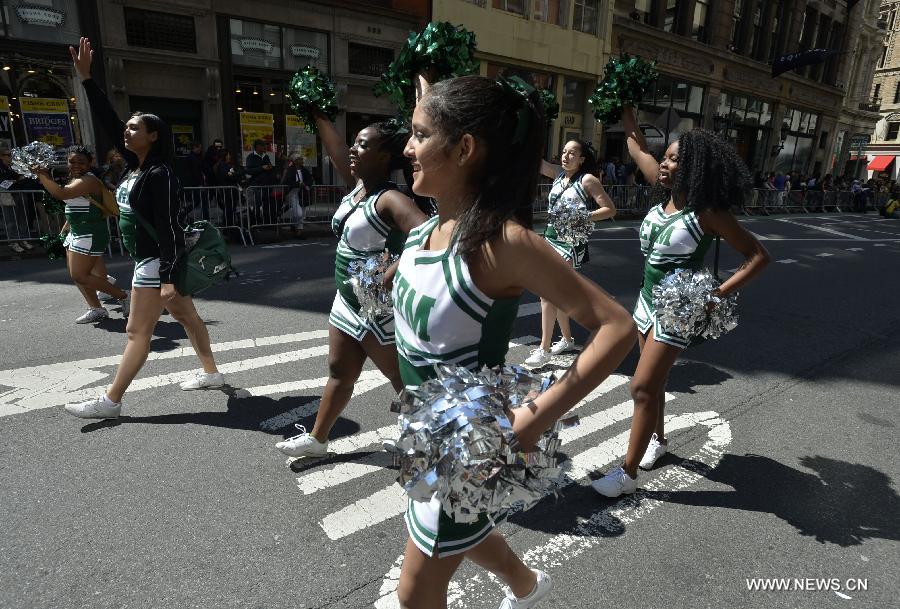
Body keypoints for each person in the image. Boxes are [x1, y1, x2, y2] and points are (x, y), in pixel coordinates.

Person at [394, 74, 635, 609]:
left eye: (419, 133)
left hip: (468, 451)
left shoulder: (502, 241)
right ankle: (527, 586)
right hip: (424, 436)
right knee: (461, 531)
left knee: (414, 595)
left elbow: (617, 327)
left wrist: (530, 420)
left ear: (464, 149)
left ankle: (524, 585)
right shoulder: (423, 230)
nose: (406, 146)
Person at [591, 105, 770, 498]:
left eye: (674, 159)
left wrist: (715, 294)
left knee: (641, 387)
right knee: (653, 385)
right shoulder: (664, 189)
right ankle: (658, 441)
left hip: (678, 310)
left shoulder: (707, 212)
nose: (665, 164)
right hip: (645, 302)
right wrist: (627, 111)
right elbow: (638, 148)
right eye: (666, 158)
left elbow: (758, 256)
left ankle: (627, 474)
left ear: (695, 169)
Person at [63, 37, 225, 420]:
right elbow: (108, 120)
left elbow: (169, 226)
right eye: (128, 128)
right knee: (188, 318)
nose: (127, 132)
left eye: (135, 128)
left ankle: (110, 402)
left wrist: (167, 275)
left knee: (137, 333)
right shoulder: (137, 167)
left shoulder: (160, 173)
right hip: (151, 261)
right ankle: (212, 374)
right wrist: (86, 79)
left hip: (154, 263)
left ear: (154, 135)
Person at [274, 109, 430, 458]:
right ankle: (317, 440)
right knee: (340, 373)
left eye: (362, 145)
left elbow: (427, 233)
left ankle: (426, 439)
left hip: (377, 307)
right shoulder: (360, 189)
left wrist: (394, 268)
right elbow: (336, 148)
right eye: (355, 144)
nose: (353, 151)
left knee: (402, 379)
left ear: (384, 157)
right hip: (347, 301)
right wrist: (320, 115)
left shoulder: (390, 199)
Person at [522, 139, 616, 369]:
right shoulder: (557, 174)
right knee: (558, 295)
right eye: (563, 152)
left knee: (548, 293)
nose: (565, 156)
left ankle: (543, 349)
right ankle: (566, 339)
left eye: (572, 153)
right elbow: (537, 162)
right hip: (551, 239)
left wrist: (581, 217)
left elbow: (609, 209)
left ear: (582, 159)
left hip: (571, 244)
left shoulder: (587, 180)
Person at [34, 146, 128, 323]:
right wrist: (66, 226)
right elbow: (77, 205)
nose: (76, 165)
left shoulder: (89, 180)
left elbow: (62, 194)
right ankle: (96, 308)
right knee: (77, 274)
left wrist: (42, 175)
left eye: (81, 162)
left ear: (90, 163)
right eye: (72, 161)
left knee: (80, 275)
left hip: (90, 233)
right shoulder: (76, 178)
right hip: (78, 231)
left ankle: (123, 296)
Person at [280, 153, 314, 235]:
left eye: (302, 159)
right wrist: (297, 184)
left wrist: (306, 184)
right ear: (295, 161)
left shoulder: (304, 170)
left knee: (302, 214)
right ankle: (296, 228)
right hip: (292, 193)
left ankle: (298, 230)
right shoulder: (290, 170)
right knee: (299, 213)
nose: (302, 161)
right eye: (300, 159)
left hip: (303, 193)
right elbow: (286, 182)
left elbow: (310, 180)